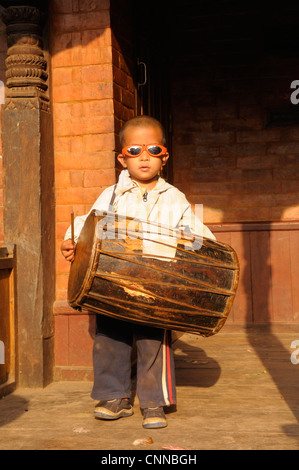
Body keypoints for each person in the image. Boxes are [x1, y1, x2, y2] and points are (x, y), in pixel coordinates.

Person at [61, 115, 215, 429]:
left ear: (164, 157)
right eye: (134, 150)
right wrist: (71, 239)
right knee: (109, 339)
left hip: (156, 286)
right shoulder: (112, 194)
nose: (144, 156)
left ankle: (154, 403)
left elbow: (202, 238)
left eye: (153, 149)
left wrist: (195, 247)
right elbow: (88, 223)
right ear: (122, 158)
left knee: (153, 342)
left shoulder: (174, 199)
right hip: (113, 283)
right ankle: (113, 397)